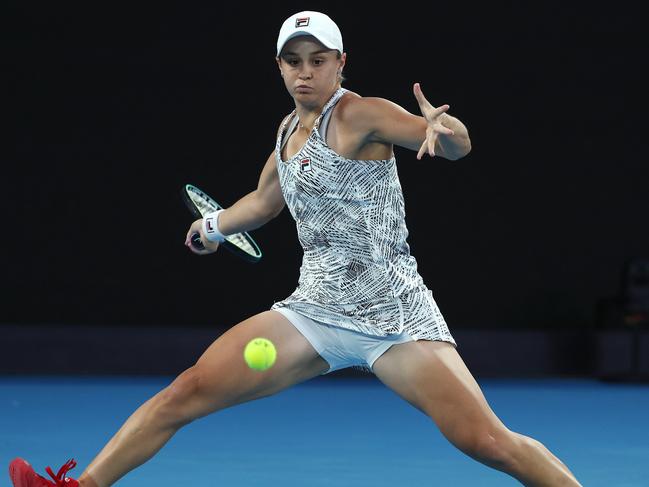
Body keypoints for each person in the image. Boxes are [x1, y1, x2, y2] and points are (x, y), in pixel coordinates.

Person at [9, 10, 582, 487]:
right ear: (280, 66)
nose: (305, 73)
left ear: (340, 64)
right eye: (294, 61)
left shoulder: (360, 114)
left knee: (488, 443)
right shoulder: (288, 129)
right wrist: (212, 228)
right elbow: (262, 202)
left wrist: (445, 130)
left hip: (394, 317)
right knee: (185, 392)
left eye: (318, 61)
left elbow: (452, 145)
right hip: (313, 312)